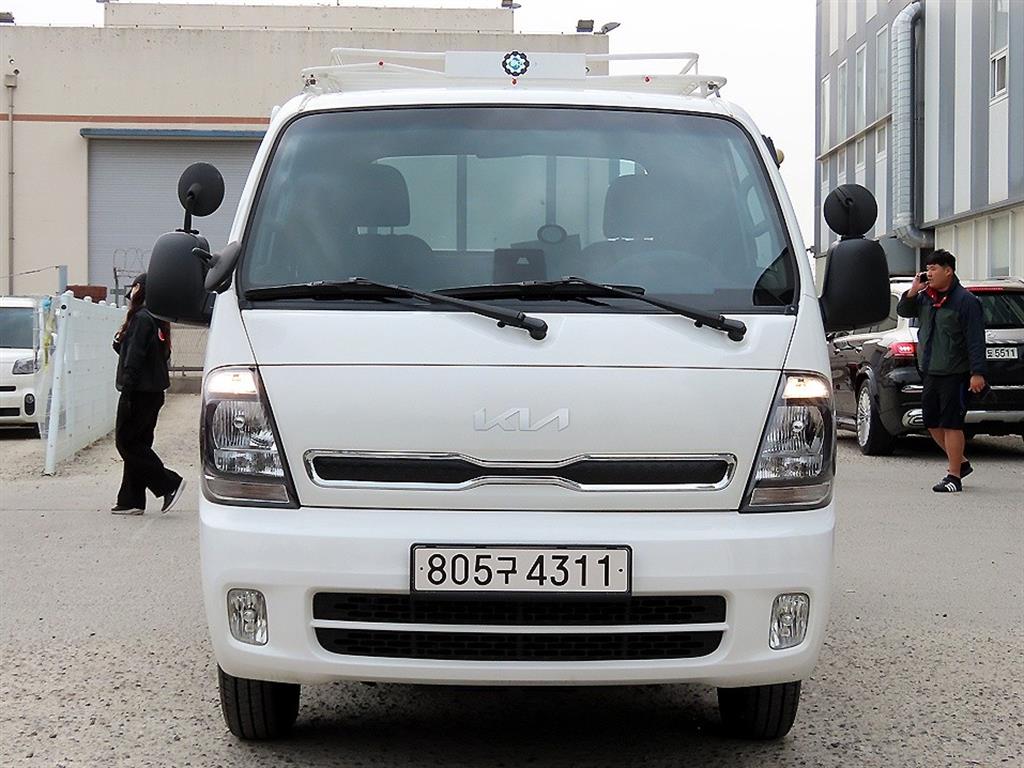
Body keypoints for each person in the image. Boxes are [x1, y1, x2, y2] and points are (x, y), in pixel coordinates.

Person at [896, 250, 987, 493]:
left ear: (949, 271)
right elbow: (904, 310)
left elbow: (975, 340)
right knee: (931, 421)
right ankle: (961, 462)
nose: (929, 273)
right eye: (928, 268)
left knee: (951, 423)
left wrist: (977, 373)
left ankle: (954, 476)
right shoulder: (926, 298)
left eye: (934, 268)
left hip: (955, 372)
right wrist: (913, 290)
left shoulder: (966, 301)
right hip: (930, 370)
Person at [110, 273, 186, 514]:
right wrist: (121, 344)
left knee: (126, 443)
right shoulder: (157, 319)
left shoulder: (141, 318)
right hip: (153, 393)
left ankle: (168, 483)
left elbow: (134, 358)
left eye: (134, 287)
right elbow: (154, 356)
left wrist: (127, 390)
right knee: (139, 444)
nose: (131, 292)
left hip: (139, 392)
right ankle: (131, 500)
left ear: (140, 289)